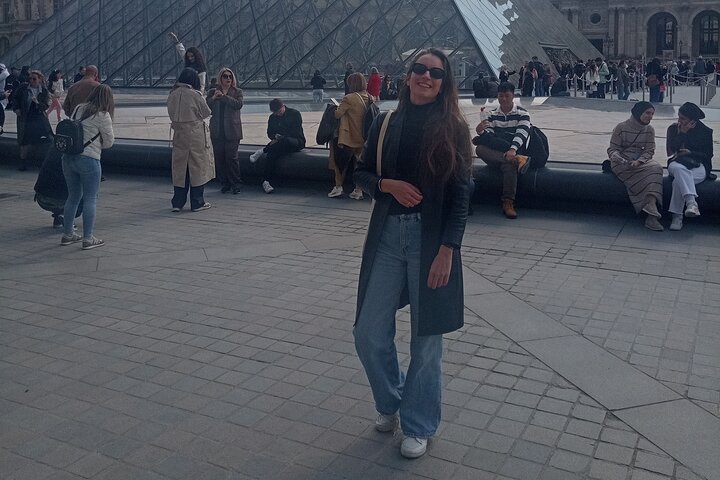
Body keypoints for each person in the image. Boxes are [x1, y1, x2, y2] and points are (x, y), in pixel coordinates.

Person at [353, 48, 473, 460]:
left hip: (431, 240)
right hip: (387, 237)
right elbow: (361, 172)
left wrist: (448, 250)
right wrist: (387, 185)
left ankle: (419, 423)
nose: (426, 76)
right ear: (407, 77)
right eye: (420, 69)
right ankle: (392, 400)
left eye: (436, 73)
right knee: (367, 332)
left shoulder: (454, 128)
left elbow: (461, 195)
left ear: (444, 83)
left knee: (426, 341)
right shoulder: (385, 122)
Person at [60, 84, 115, 250]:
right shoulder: (103, 115)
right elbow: (109, 143)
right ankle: (88, 238)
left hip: (68, 158)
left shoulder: (79, 108)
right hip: (89, 160)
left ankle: (67, 234)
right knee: (90, 198)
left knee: (72, 197)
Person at [473, 82, 531, 219]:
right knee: (480, 149)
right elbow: (490, 137)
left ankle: (508, 202)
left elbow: (522, 133)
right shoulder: (491, 114)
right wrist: (480, 131)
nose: (503, 99)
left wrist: (512, 149)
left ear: (513, 96)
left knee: (509, 165)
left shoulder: (522, 113)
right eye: (500, 96)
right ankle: (518, 160)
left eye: (507, 96)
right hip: (499, 152)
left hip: (513, 150)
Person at [607, 102, 664, 231]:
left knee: (656, 168)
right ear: (638, 112)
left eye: (652, 114)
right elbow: (612, 149)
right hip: (622, 162)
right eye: (647, 113)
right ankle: (651, 215)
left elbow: (649, 150)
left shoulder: (649, 130)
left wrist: (639, 161)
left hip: (639, 162)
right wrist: (617, 157)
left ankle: (651, 207)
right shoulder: (621, 127)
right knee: (644, 176)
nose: (650, 116)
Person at [167, 68, 214, 212]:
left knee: (180, 169)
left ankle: (177, 203)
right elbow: (206, 112)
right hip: (195, 135)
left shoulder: (172, 94)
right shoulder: (195, 95)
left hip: (179, 135)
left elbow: (171, 113)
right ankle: (197, 202)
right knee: (197, 168)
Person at [666, 102, 715, 231]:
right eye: (679, 117)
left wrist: (690, 152)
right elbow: (672, 149)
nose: (679, 120)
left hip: (698, 165)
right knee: (678, 170)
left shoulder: (706, 131)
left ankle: (677, 217)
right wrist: (683, 133)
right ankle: (691, 203)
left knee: (678, 181)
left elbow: (708, 154)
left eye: (683, 118)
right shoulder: (675, 128)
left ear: (692, 120)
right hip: (677, 162)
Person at [328, 72, 370, 200]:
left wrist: (334, 108)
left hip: (349, 137)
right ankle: (358, 190)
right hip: (363, 137)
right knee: (359, 164)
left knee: (340, 162)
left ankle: (338, 187)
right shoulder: (369, 97)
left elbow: (337, 114)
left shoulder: (349, 98)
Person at [249, 98, 305, 193]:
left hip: (296, 141)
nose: (278, 114)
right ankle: (266, 181)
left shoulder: (295, 114)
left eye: (279, 111)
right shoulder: (272, 117)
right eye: (275, 113)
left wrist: (280, 137)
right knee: (271, 154)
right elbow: (269, 133)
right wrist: (275, 136)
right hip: (278, 144)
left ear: (283, 106)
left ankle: (263, 150)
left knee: (285, 141)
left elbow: (295, 132)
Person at [206, 67, 244, 195]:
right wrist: (214, 98)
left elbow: (238, 104)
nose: (228, 78)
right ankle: (225, 183)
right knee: (220, 158)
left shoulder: (237, 91)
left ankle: (236, 184)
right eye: (225, 76)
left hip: (232, 130)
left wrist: (224, 97)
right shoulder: (212, 92)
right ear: (220, 78)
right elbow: (206, 107)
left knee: (232, 158)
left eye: (230, 76)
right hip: (217, 130)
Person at [12, 70, 53, 171]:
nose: (31, 80)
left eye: (34, 79)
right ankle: (22, 163)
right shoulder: (23, 88)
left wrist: (37, 102)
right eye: (30, 78)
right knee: (24, 141)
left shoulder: (44, 91)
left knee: (47, 139)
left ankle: (46, 162)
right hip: (25, 117)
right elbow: (15, 98)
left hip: (39, 117)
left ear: (40, 79)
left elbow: (46, 106)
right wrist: (16, 108)